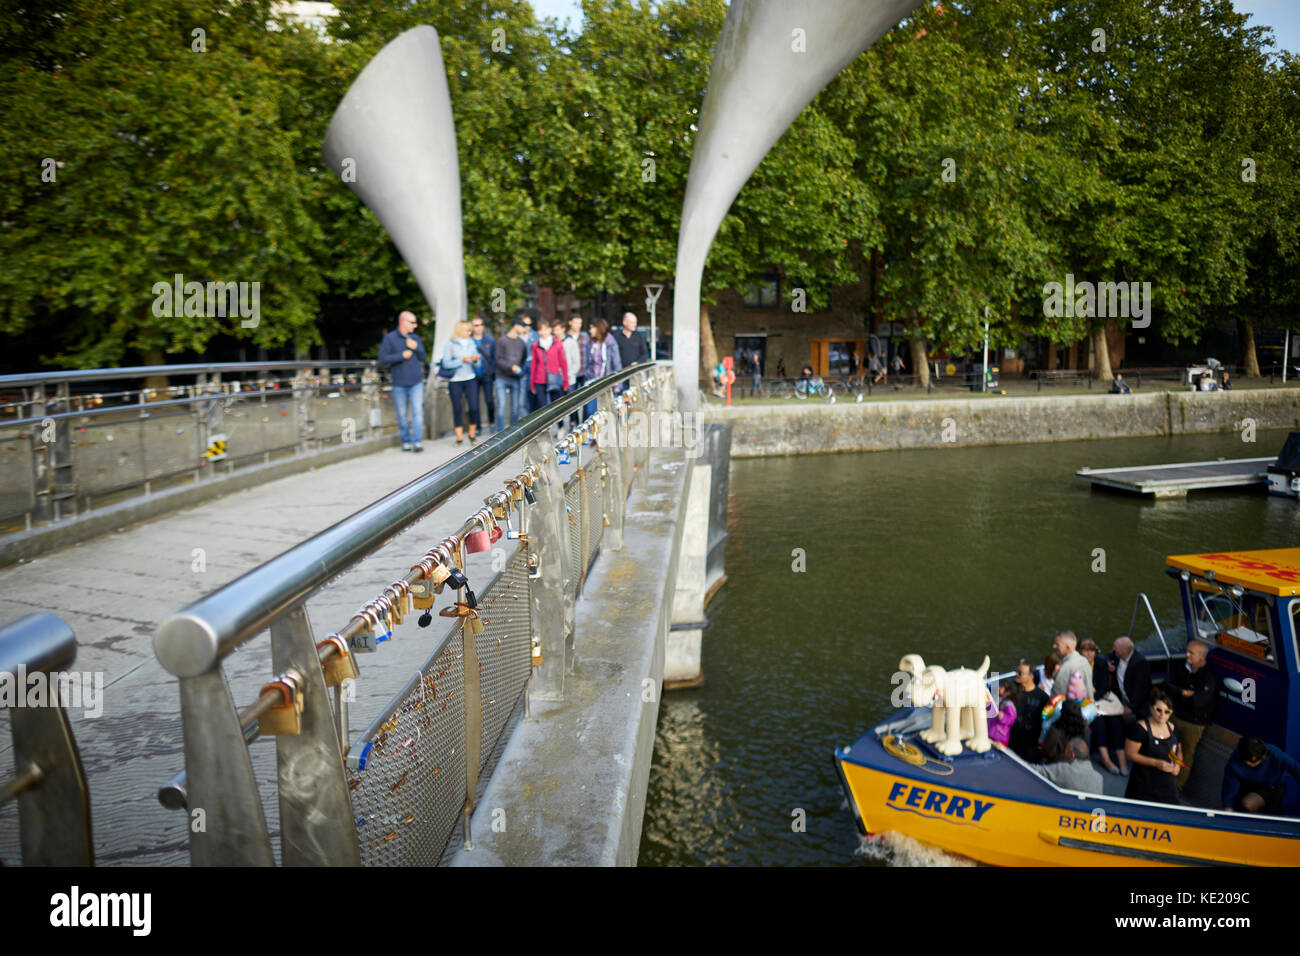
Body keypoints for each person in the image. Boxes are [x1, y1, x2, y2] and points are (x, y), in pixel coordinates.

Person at [1167, 640, 1218, 789]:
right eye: (1187, 651)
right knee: (1167, 747)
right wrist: (1182, 692)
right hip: (1175, 716)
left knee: (1186, 754)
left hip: (1194, 723)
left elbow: (1199, 701)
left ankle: (1177, 787)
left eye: (1191, 653)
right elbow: (1167, 685)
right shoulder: (1180, 669)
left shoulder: (1209, 677)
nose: (1187, 655)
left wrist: (1178, 695)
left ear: (1202, 657)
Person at [377, 310, 427, 453]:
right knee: (403, 415)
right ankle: (406, 441)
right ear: (403, 322)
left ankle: (417, 442)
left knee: (418, 412)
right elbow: (382, 359)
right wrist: (401, 355)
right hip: (399, 383)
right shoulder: (390, 338)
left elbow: (423, 357)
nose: (415, 325)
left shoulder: (415, 338)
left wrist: (415, 347)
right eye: (412, 322)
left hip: (416, 381)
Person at [1124, 688, 1182, 805]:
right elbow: (1130, 754)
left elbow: (1179, 751)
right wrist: (1156, 763)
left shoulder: (1174, 729)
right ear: (1151, 708)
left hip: (1168, 788)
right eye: (1158, 710)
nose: (1162, 715)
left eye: (1167, 712)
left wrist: (1178, 765)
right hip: (1143, 786)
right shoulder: (1139, 728)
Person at [1081, 638, 1127, 775]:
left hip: (1100, 700)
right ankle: (1106, 759)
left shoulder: (1101, 663)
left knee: (1115, 722)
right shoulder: (1077, 666)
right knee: (1099, 722)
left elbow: (1105, 686)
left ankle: (1122, 760)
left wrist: (1094, 699)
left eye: (1092, 651)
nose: (1089, 654)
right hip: (1084, 703)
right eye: (1085, 651)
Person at [1222, 736, 1300, 813]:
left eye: (1254, 762)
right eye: (1247, 761)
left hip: (1272, 787)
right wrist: (1228, 807)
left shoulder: (1275, 753)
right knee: (1241, 808)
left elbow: (1296, 769)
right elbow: (1229, 787)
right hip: (1247, 784)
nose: (1249, 764)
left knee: (1255, 807)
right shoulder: (1235, 760)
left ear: (1264, 755)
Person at [440, 319, 481, 444]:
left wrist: (475, 360)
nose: (469, 332)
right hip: (455, 380)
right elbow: (446, 363)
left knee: (474, 407)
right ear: (460, 330)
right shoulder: (450, 344)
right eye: (467, 330)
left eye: (470, 330)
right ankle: (459, 437)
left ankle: (472, 435)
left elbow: (478, 364)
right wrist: (461, 361)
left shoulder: (472, 343)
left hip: (470, 378)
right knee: (457, 408)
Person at [1034, 731, 1104, 794]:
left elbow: (1034, 770)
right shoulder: (1099, 779)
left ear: (1072, 755)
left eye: (1066, 750)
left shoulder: (1063, 770)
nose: (1065, 753)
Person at [1009, 660, 1049, 762]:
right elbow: (994, 682)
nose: (1016, 674)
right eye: (1017, 671)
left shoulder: (1042, 697)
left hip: (1030, 745)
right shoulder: (1012, 689)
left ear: (1031, 676)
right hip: (1011, 739)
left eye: (1020, 673)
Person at [494, 318, 528, 432]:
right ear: (515, 326)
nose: (525, 329)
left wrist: (519, 370)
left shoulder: (521, 343)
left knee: (515, 407)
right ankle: (499, 432)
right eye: (523, 326)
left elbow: (523, 359)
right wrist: (511, 367)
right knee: (501, 406)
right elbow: (498, 360)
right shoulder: (502, 341)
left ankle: (511, 433)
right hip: (501, 378)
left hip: (515, 379)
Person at [584, 318, 623, 419]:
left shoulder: (610, 342)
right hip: (592, 382)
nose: (590, 330)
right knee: (591, 413)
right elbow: (588, 363)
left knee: (607, 412)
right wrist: (588, 378)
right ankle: (593, 435)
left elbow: (616, 363)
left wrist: (618, 383)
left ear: (598, 328)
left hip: (607, 383)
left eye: (592, 328)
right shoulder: (591, 344)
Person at [1109, 635, 1152, 721]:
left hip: (1137, 705)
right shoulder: (1117, 656)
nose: (1113, 649)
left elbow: (1141, 689)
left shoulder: (1140, 663)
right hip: (1122, 698)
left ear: (1124, 650)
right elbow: (1108, 655)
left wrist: (1131, 708)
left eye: (1116, 647)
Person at [529, 318, 569, 409]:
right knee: (542, 407)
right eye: (540, 330)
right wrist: (532, 384)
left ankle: (560, 423)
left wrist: (566, 381)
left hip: (554, 378)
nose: (543, 332)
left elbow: (563, 363)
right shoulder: (535, 345)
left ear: (550, 330)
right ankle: (547, 424)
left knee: (557, 405)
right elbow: (533, 365)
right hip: (539, 380)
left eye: (545, 329)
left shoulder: (557, 343)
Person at [1051, 631, 1094, 700]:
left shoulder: (1066, 667)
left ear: (1067, 647)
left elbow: (1057, 695)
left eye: (1057, 644)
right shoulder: (1084, 661)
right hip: (1087, 705)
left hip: (1071, 708)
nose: (1054, 646)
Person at [470, 316, 496, 431]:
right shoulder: (468, 340)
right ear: (472, 327)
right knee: (474, 403)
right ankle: (477, 426)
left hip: (486, 374)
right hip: (472, 375)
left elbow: (494, 357)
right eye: (476, 325)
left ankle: (492, 421)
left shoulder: (489, 339)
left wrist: (491, 370)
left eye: (481, 325)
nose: (479, 327)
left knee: (489, 400)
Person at [987, 678, 1018, 746]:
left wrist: (1003, 716)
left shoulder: (1009, 704)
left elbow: (1012, 719)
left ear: (1008, 692)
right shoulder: (996, 698)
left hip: (1000, 737)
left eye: (1001, 687)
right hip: (990, 731)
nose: (998, 687)